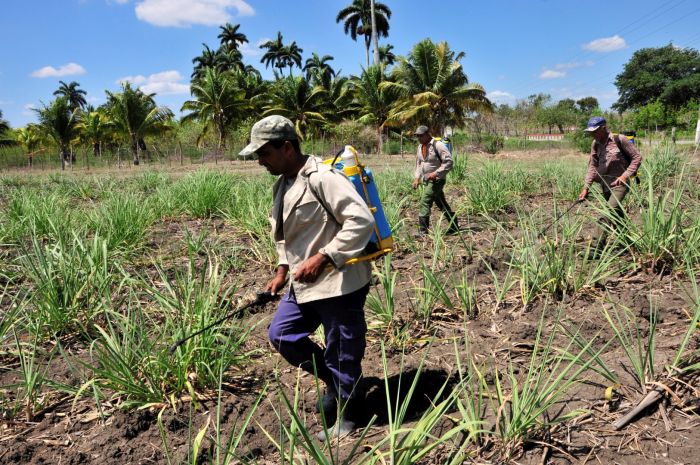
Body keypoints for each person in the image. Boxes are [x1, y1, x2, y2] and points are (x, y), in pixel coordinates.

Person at [240, 115, 375, 440]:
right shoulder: (283, 184)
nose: (260, 161)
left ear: (286, 147)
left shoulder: (323, 177)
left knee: (341, 347)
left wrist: (324, 256)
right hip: (303, 282)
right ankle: (337, 382)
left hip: (339, 280)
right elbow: (285, 236)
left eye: (264, 153)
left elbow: (360, 221)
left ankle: (348, 415)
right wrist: (282, 269)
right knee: (282, 334)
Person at [577, 116, 642, 252]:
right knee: (617, 216)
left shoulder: (620, 139)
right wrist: (586, 187)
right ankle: (627, 243)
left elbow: (637, 157)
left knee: (607, 213)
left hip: (620, 184)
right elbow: (592, 166)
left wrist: (625, 176)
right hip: (605, 185)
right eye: (591, 132)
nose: (593, 135)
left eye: (595, 131)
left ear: (604, 128)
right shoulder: (595, 144)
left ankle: (596, 248)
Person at [412, 125, 458, 235]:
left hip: (437, 180)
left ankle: (423, 231)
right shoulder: (420, 146)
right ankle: (454, 225)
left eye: (421, 136)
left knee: (425, 201)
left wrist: (435, 173)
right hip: (426, 179)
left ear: (428, 134)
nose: (419, 138)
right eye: (417, 136)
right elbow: (419, 163)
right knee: (441, 203)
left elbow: (449, 162)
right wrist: (417, 177)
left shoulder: (438, 145)